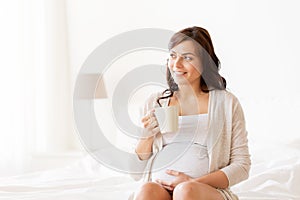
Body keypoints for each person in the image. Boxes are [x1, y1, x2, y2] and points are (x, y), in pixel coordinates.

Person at [133, 26, 251, 200]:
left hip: (203, 192)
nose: (177, 64)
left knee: (185, 191)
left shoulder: (226, 103)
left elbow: (242, 166)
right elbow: (135, 173)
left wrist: (193, 183)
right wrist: (148, 135)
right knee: (146, 191)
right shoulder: (156, 102)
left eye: (187, 57)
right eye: (173, 56)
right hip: (160, 190)